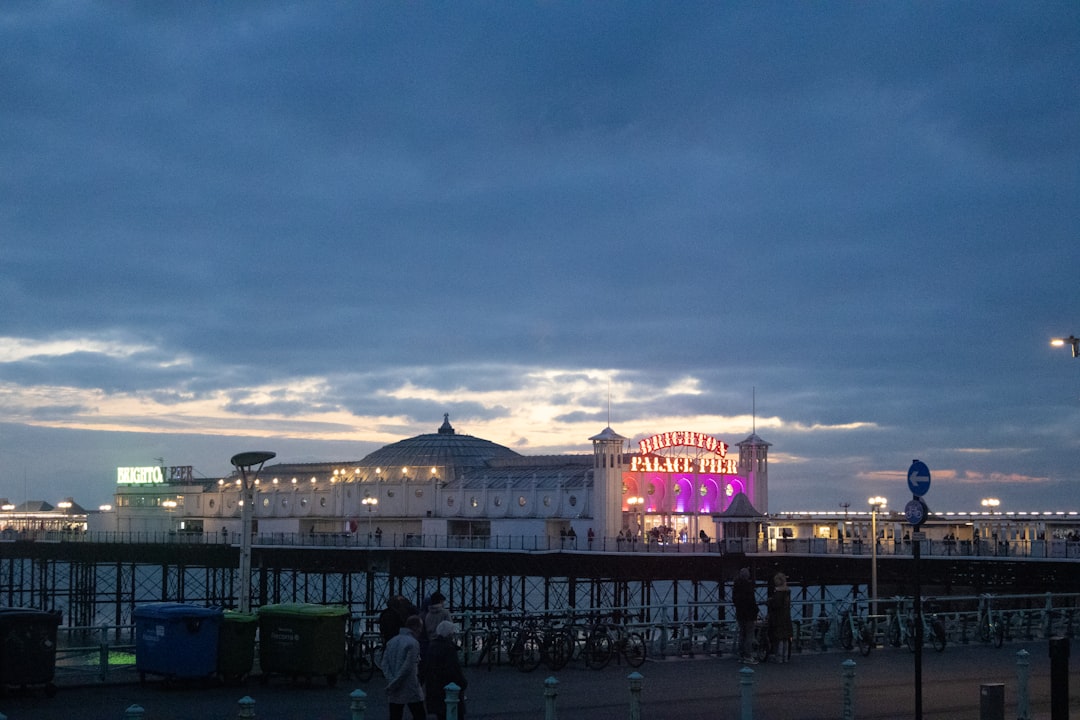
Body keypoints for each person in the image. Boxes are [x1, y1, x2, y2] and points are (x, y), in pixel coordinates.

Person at [384, 615, 426, 720]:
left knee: (395, 715)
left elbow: (384, 664)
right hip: (410, 686)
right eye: (420, 628)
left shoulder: (391, 641)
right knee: (419, 715)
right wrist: (395, 682)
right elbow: (408, 667)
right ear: (415, 627)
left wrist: (391, 680)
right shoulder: (413, 643)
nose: (421, 631)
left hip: (393, 687)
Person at [424, 620, 468, 720]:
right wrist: (463, 683)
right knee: (454, 713)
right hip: (448, 689)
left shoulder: (432, 646)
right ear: (449, 634)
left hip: (435, 689)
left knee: (441, 715)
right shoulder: (449, 648)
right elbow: (453, 670)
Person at [733, 567, 758, 664]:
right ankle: (748, 656)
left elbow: (734, 600)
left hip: (740, 613)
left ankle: (741, 655)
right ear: (748, 576)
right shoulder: (748, 586)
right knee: (749, 635)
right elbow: (752, 601)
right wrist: (756, 611)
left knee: (742, 634)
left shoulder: (736, 586)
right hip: (749, 614)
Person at [767, 572, 792, 662]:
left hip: (778, 617)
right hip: (786, 616)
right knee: (786, 638)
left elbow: (776, 605)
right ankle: (785, 657)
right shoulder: (787, 592)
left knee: (779, 638)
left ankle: (779, 657)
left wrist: (770, 601)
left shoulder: (778, 592)